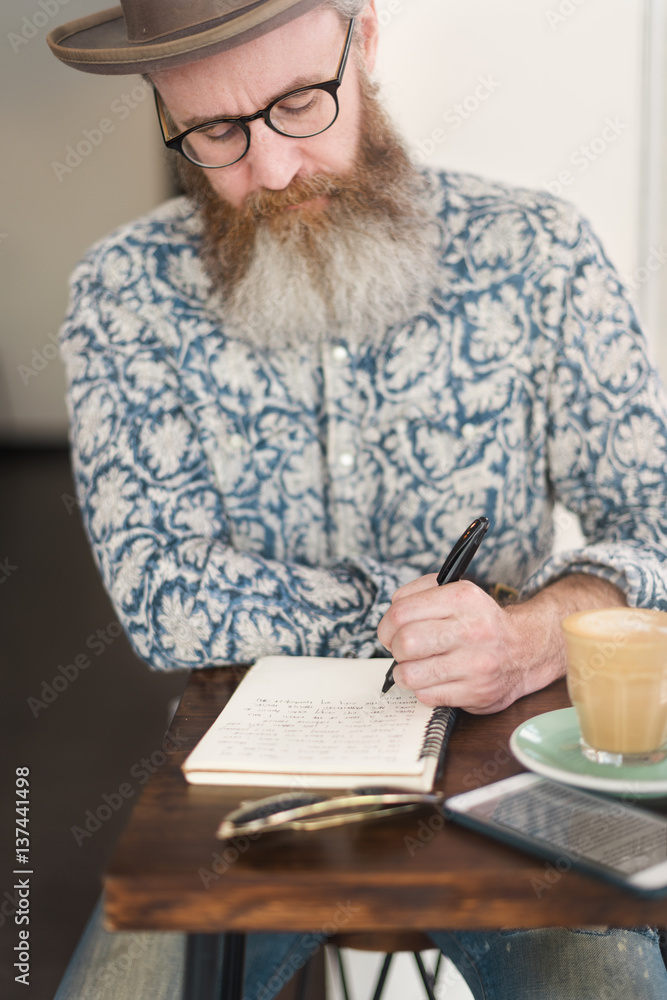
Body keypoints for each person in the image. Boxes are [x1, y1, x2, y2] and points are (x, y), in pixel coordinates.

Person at [48, 1, 667, 998]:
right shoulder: (123, 292)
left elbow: (657, 533)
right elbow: (162, 595)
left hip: (513, 755)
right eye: (215, 133)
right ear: (164, 110)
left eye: (299, 102)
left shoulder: (540, 253)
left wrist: (532, 636)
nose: (272, 169)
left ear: (363, 38)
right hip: (251, 783)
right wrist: (419, 609)